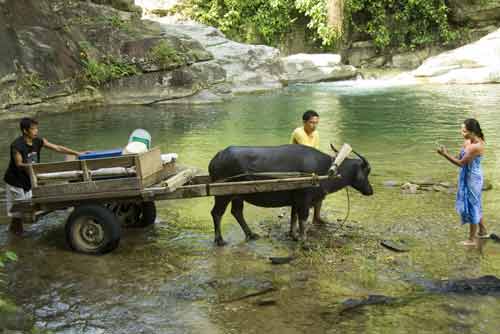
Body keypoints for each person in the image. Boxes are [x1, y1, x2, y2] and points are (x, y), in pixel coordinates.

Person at [3, 117, 86, 235]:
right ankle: (16, 234)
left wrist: (77, 153)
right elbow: (19, 164)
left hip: (29, 179)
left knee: (22, 210)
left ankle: (15, 234)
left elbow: (57, 147)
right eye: (33, 129)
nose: (36, 131)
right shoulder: (17, 145)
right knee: (20, 210)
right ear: (25, 131)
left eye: (37, 128)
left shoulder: (38, 141)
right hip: (15, 181)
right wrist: (38, 171)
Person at [437, 118, 488, 246]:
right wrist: (454, 153)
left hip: (472, 178)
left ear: (472, 131)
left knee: (472, 207)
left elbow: (460, 163)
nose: (462, 133)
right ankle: (482, 231)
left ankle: (472, 240)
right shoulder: (469, 141)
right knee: (475, 204)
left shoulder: (476, 146)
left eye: (464, 131)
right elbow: (461, 156)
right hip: (470, 175)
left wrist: (444, 154)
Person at [290, 110, 326, 224]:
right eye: (311, 122)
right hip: (295, 165)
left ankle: (316, 216)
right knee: (303, 193)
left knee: (321, 187)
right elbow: (309, 151)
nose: (314, 125)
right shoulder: (298, 132)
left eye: (316, 123)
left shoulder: (316, 133)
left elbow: (316, 152)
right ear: (304, 122)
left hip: (308, 165)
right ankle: (297, 222)